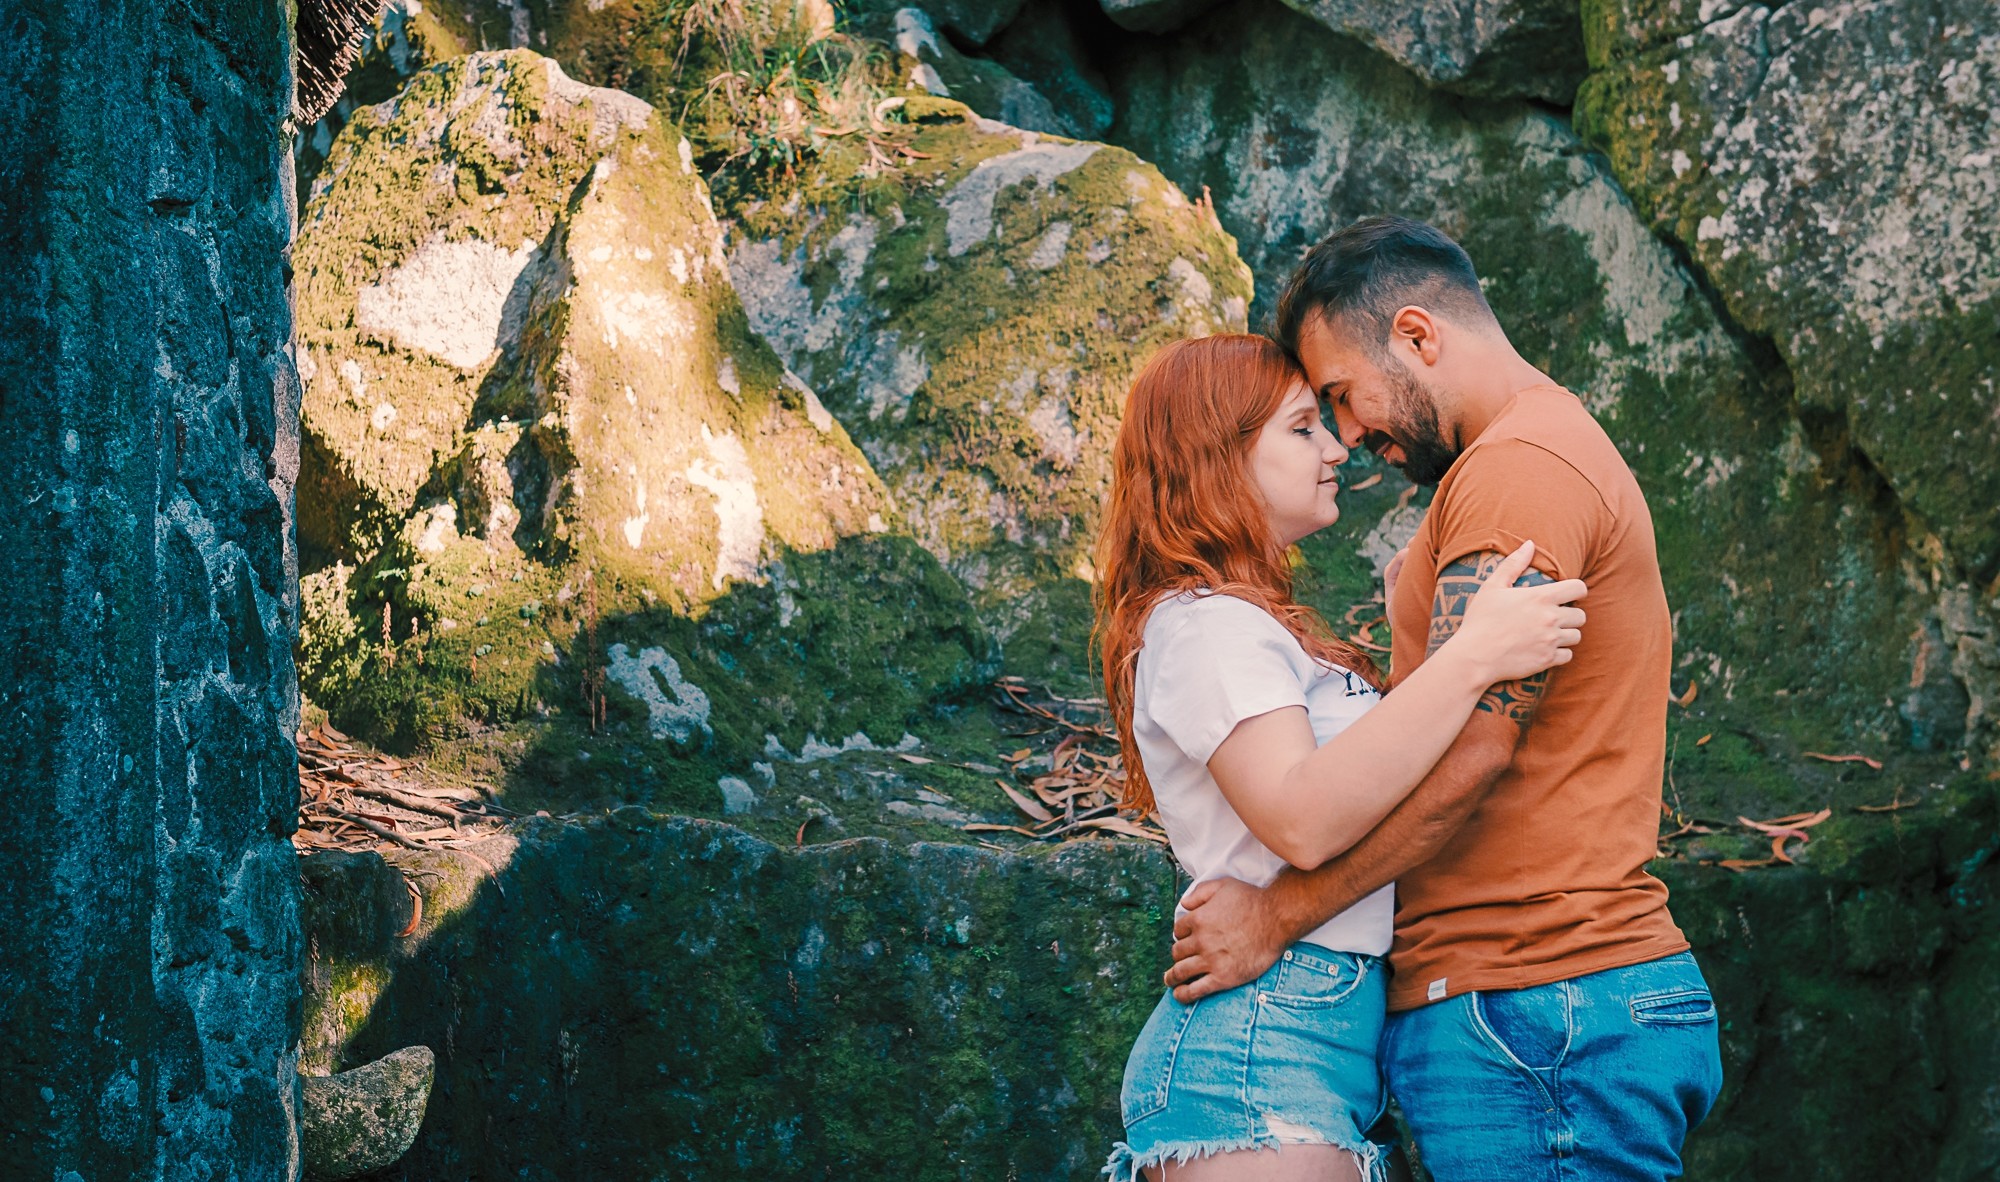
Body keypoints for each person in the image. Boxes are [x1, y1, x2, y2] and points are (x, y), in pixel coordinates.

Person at [1162, 218, 1725, 1181]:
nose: (1348, 435)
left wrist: (1278, 917)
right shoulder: (1521, 459)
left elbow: (1473, 751)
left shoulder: (1518, 473)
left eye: (1340, 396)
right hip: (1535, 1008)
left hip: (1538, 1003)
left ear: (1419, 336)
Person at [1094, 333, 1589, 1181]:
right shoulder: (1206, 626)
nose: (1334, 448)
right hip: (1258, 1052)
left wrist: (1420, 633)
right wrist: (1472, 657)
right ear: (1219, 458)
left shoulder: (1244, 626)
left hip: (1302, 1045)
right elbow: (1304, 816)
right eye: (1299, 429)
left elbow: (1373, 784)